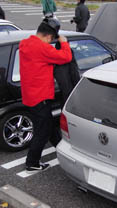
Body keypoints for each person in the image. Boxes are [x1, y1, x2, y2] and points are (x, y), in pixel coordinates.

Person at [19, 18, 72, 173]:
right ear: (49, 37)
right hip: (40, 96)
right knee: (43, 130)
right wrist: (63, 42)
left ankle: (59, 146)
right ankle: (32, 163)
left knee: (47, 124)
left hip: (30, 95)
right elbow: (66, 57)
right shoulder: (42, 48)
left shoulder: (25, 43)